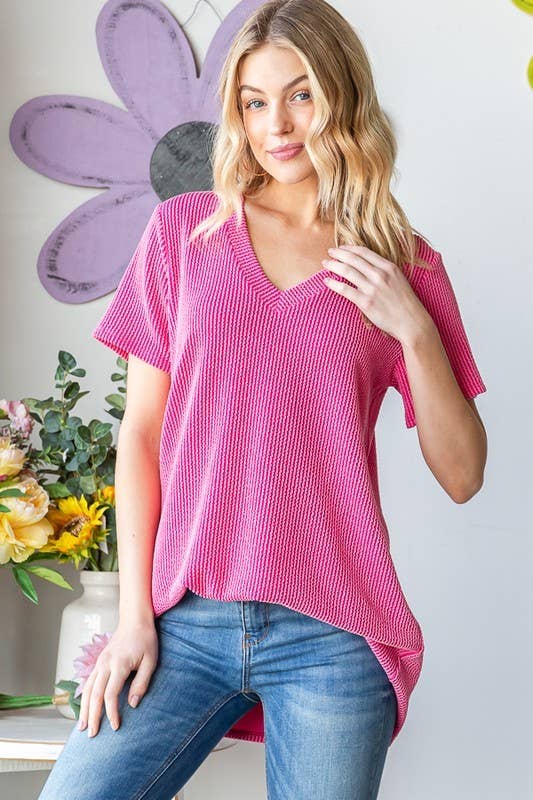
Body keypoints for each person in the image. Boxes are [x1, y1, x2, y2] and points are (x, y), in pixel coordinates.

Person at [38, 0, 488, 798]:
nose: (275, 125)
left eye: (300, 94)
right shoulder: (183, 234)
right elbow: (140, 436)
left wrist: (414, 330)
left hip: (333, 635)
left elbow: (462, 476)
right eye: (253, 102)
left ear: (343, 96)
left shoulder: (404, 266)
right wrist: (135, 618)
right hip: (184, 621)